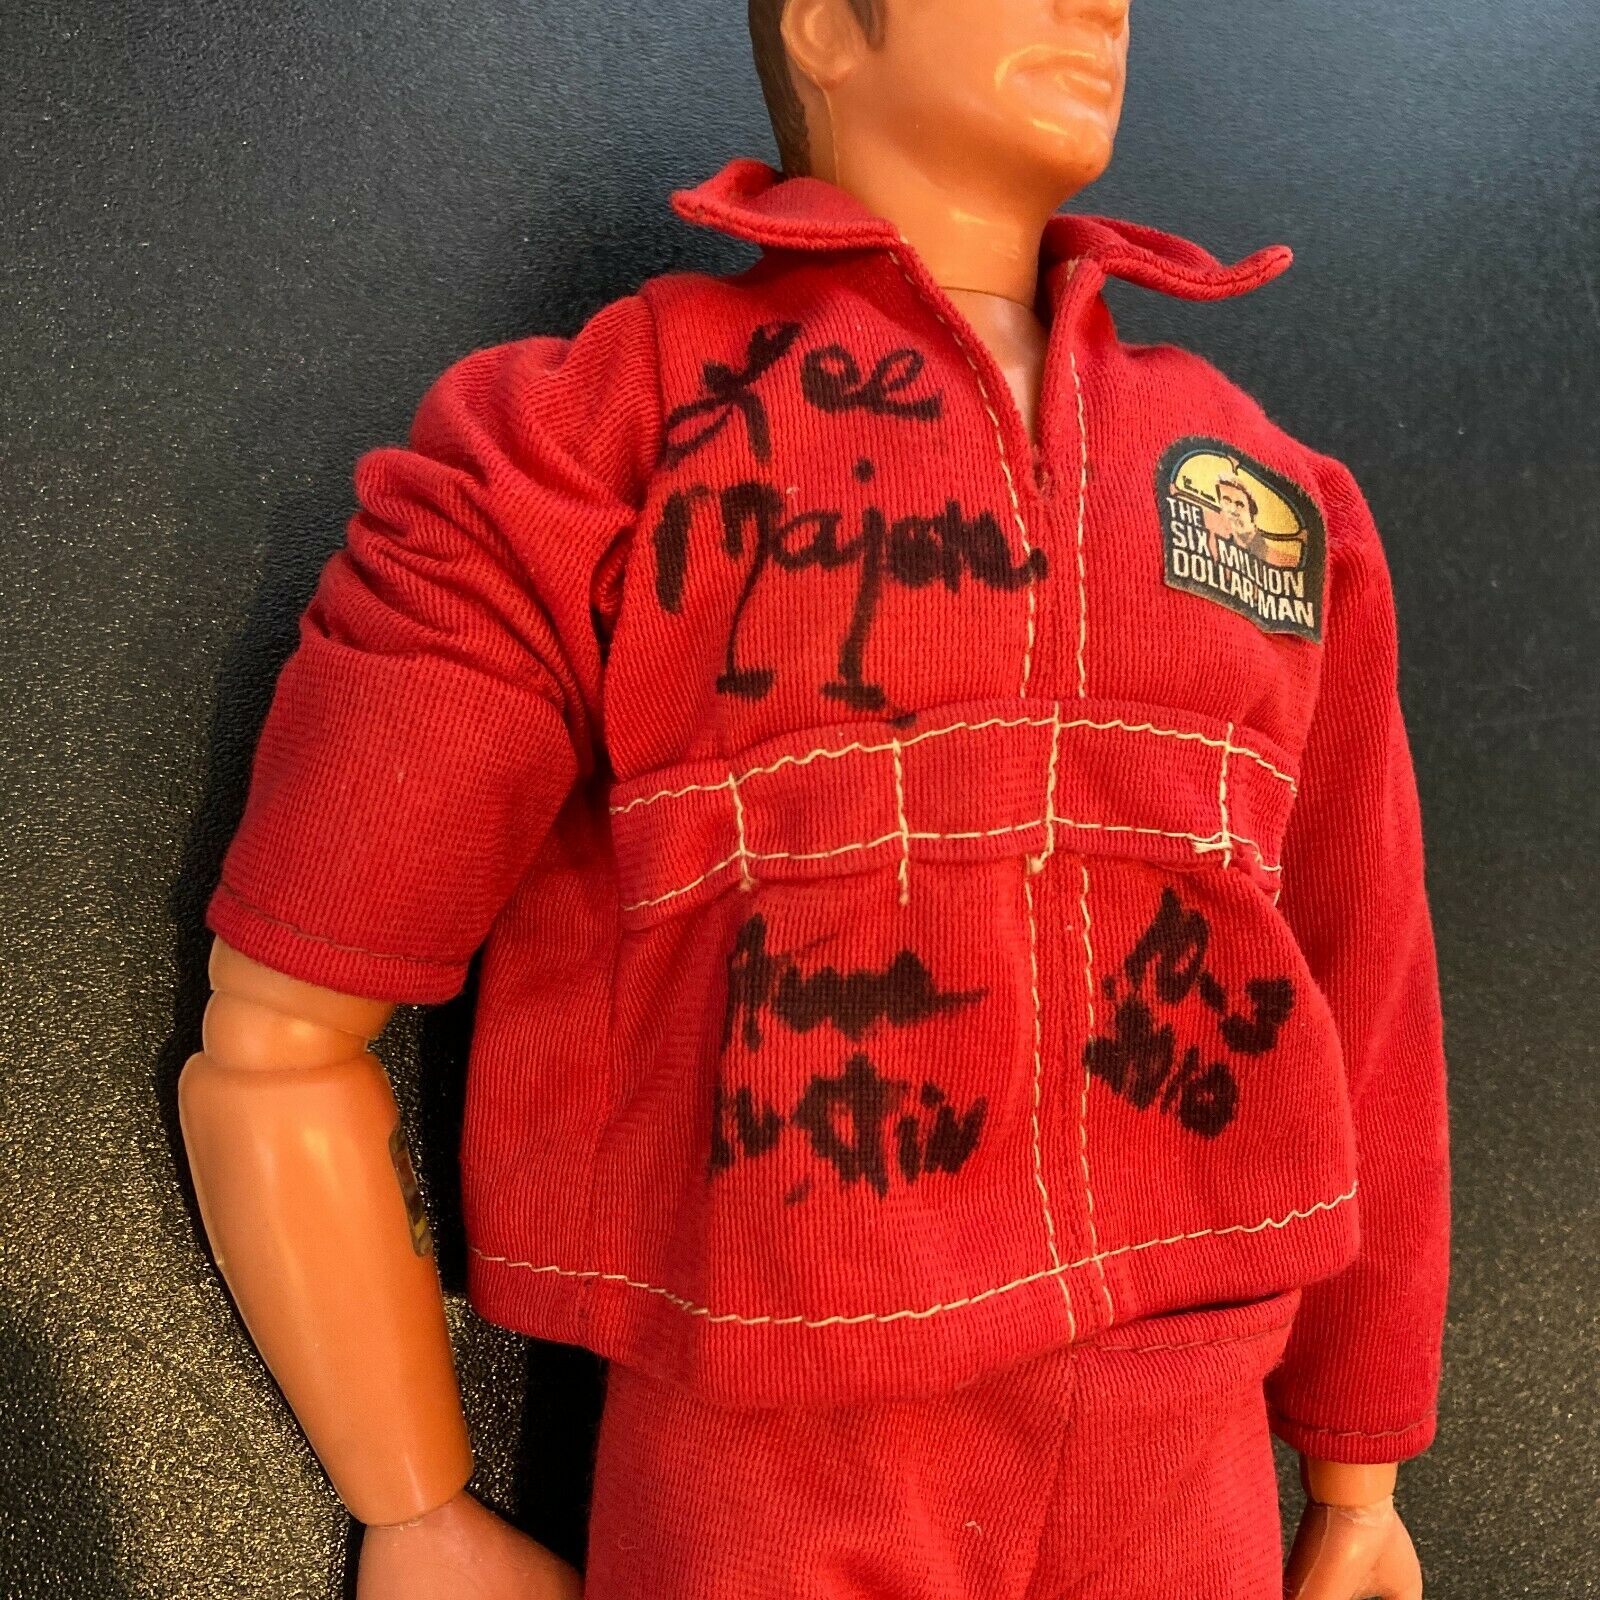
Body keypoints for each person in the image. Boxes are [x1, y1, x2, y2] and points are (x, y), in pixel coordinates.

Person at [179, 2, 1450, 1597]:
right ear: (831, 24)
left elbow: (1365, 986)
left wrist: (1359, 1472)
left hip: (1185, 1428)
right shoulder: (612, 432)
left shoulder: (1267, 491)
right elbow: (281, 1030)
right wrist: (415, 1504)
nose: (1101, 5)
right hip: (770, 1440)